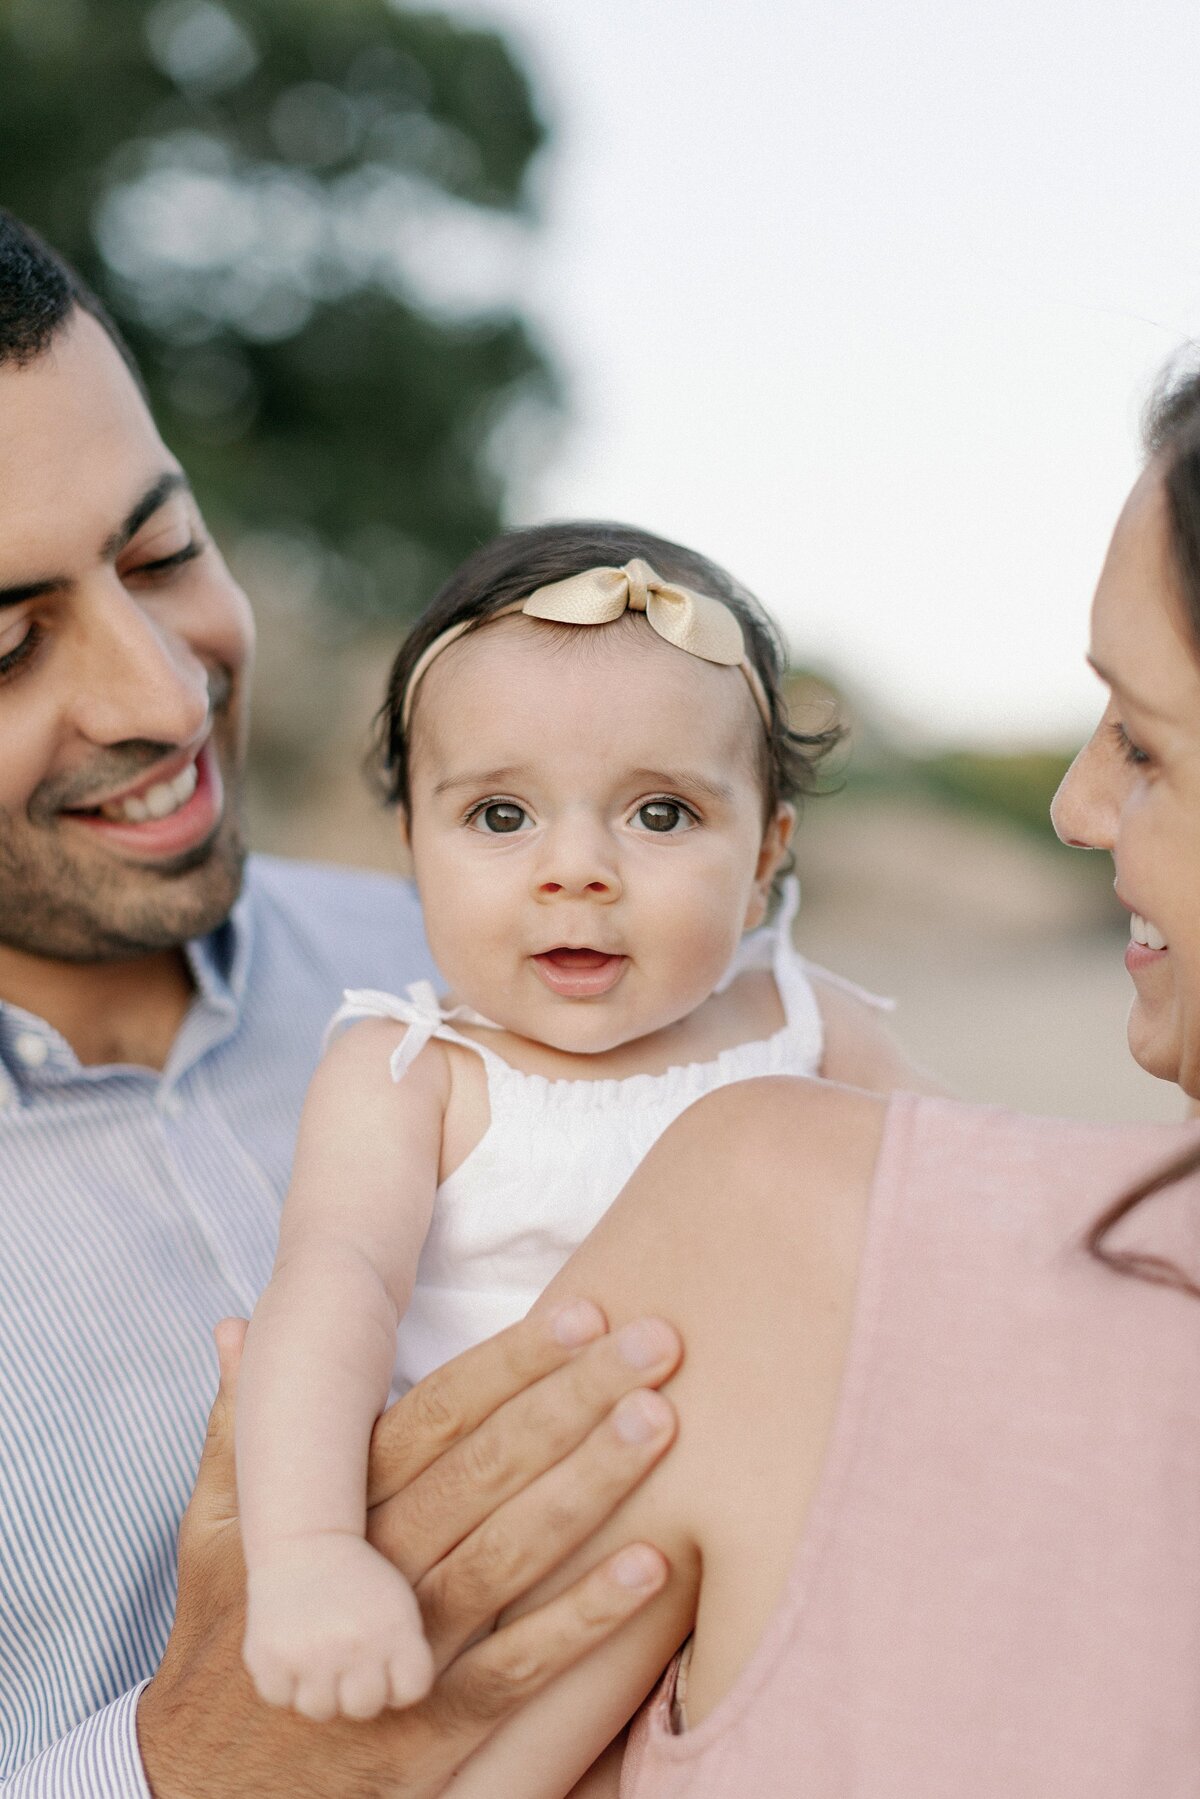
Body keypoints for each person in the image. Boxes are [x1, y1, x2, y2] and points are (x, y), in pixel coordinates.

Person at [0, 209, 686, 1799]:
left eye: (164, 554)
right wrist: (175, 1769)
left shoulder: (464, 971)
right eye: (10, 644)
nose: (167, 693)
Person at [434, 369, 1200, 1794]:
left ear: (768, 841)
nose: (1073, 806)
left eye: (1142, 738)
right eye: (499, 810)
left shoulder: (785, 1193)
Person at [234, 525, 933, 1734]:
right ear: (412, 847)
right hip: (526, 1599)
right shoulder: (411, 1072)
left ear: (764, 851)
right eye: (501, 815)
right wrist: (306, 1553)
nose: (577, 869)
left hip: (799, 1568)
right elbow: (329, 1289)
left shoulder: (812, 1025)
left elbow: (978, 1211)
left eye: (660, 814)